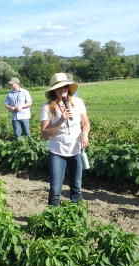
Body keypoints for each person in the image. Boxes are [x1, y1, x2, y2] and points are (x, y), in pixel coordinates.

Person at [40, 73, 90, 207]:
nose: (63, 91)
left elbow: (86, 123)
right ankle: (53, 216)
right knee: (55, 189)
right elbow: (44, 134)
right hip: (57, 151)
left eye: (65, 87)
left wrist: (84, 134)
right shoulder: (47, 108)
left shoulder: (78, 102)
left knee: (76, 186)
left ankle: (75, 215)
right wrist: (60, 120)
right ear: (53, 91)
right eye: (60, 88)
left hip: (76, 149)